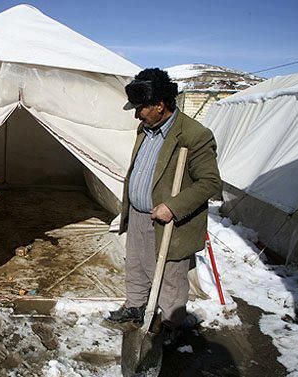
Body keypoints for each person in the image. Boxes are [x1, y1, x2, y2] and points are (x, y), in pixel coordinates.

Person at [107, 68, 222, 344]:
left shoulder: (194, 135)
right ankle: (135, 307)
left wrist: (172, 206)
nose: (136, 115)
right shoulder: (146, 128)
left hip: (171, 220)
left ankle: (171, 324)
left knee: (170, 275)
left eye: (140, 108)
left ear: (160, 105)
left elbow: (210, 183)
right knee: (136, 263)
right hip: (138, 213)